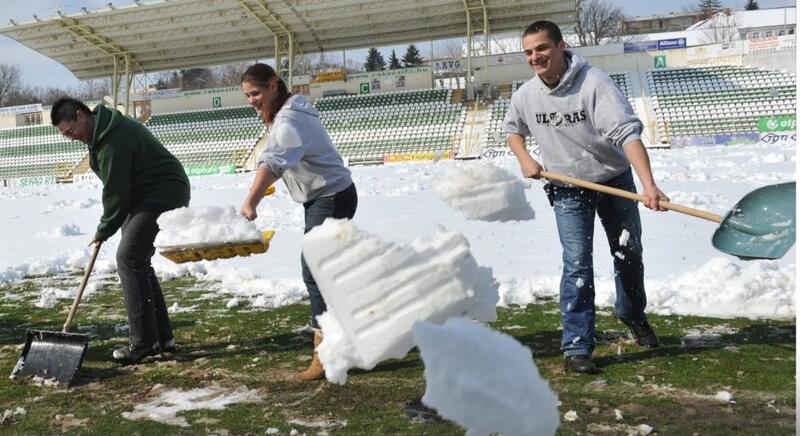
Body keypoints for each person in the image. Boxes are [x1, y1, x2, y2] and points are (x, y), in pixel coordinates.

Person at [502, 21, 669, 374]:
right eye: (529, 51)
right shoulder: (526, 95)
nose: (535, 57)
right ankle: (577, 346)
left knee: (628, 252)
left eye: (542, 48)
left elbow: (627, 133)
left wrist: (648, 185)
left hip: (613, 180)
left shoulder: (595, 83)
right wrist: (526, 159)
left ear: (561, 46)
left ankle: (632, 314)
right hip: (567, 188)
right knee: (576, 263)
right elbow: (512, 130)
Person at [238, 63, 357, 381]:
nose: (252, 100)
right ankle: (343, 340)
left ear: (274, 85)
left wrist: (251, 200)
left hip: (329, 197)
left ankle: (326, 355)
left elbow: (274, 161)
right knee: (325, 272)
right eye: (248, 95)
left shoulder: (289, 117)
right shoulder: (289, 112)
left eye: (256, 93)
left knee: (314, 271)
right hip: (327, 195)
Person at [51, 97, 190, 365]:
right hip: (143, 196)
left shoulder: (112, 137)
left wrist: (105, 228)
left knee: (128, 258)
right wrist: (112, 221)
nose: (71, 138)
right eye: (65, 135)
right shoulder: (102, 133)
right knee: (138, 261)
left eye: (70, 131)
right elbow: (120, 190)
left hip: (162, 192)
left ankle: (143, 343)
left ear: (81, 115)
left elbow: (116, 192)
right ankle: (161, 337)